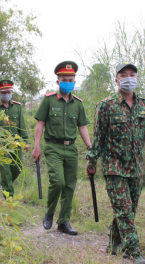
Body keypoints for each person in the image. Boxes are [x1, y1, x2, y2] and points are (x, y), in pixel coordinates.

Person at [86, 62, 145, 264]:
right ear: (117, 80)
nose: (128, 78)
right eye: (123, 74)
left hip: (136, 169)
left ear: (137, 78)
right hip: (114, 168)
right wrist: (92, 162)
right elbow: (98, 138)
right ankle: (134, 251)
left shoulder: (144, 105)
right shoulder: (106, 105)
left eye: (132, 74)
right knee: (125, 211)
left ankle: (113, 243)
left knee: (128, 211)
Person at [32, 61, 91, 236]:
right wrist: (36, 147)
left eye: (71, 79)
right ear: (58, 82)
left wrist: (90, 147)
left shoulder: (78, 104)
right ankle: (49, 212)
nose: (68, 82)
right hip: (53, 147)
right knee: (58, 182)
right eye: (64, 79)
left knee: (70, 186)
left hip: (71, 149)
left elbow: (82, 127)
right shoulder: (49, 100)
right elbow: (40, 123)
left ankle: (63, 221)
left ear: (74, 81)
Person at [0, 80, 30, 198]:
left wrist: (26, 142)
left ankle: (6, 185)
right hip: (1, 145)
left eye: (9, 91)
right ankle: (9, 197)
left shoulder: (17, 107)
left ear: (12, 92)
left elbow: (22, 126)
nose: (7, 94)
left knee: (18, 168)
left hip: (15, 145)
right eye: (4, 92)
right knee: (5, 172)